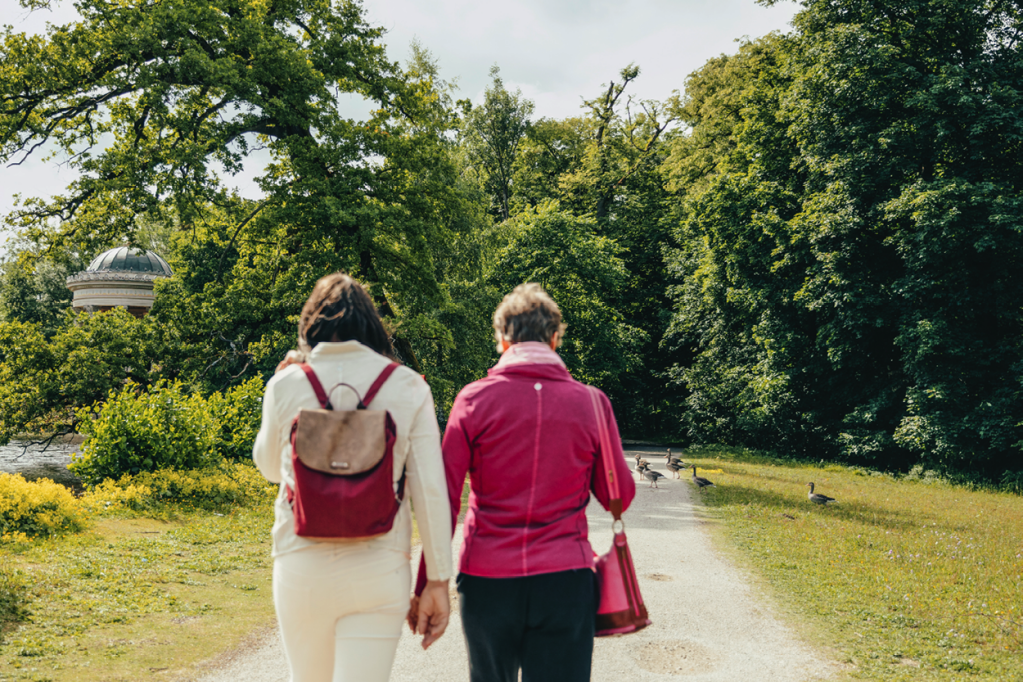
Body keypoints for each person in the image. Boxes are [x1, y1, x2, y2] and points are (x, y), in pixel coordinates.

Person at [412, 282, 636, 682]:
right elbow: (619, 493)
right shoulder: (591, 402)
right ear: (554, 339)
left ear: (502, 340)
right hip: (565, 580)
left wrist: (430, 581)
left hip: (487, 580)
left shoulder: (472, 400)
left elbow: (442, 499)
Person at [253, 272, 452, 682]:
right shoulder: (409, 386)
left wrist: (278, 381)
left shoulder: (287, 383)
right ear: (372, 328)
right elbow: (430, 492)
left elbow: (271, 469)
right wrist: (436, 581)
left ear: (310, 327)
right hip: (379, 566)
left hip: (301, 562)